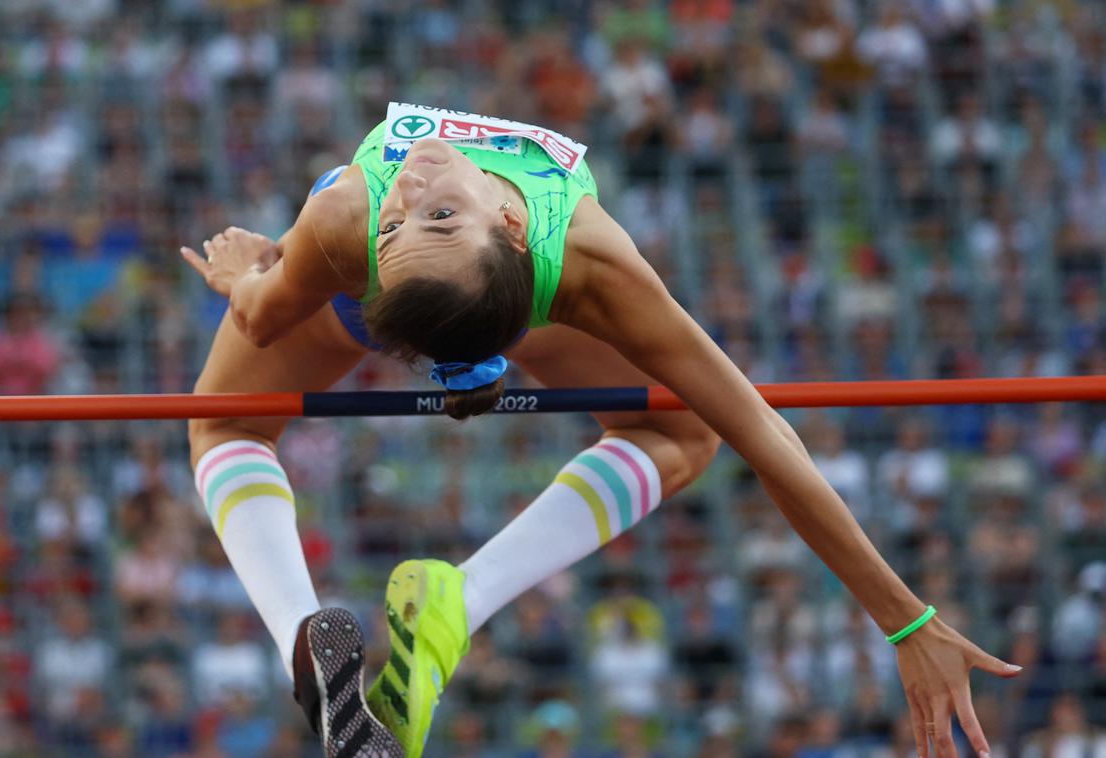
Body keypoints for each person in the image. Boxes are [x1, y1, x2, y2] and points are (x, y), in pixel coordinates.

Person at [181, 103, 1019, 757]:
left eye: (431, 216)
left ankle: (302, 626)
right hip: (403, 299)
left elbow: (257, 320)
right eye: (410, 219)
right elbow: (765, 437)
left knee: (225, 429)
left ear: (513, 232)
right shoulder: (574, 261)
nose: (407, 192)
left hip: (377, 293)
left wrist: (244, 269)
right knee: (682, 437)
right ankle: (455, 605)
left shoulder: (355, 214)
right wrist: (904, 623)